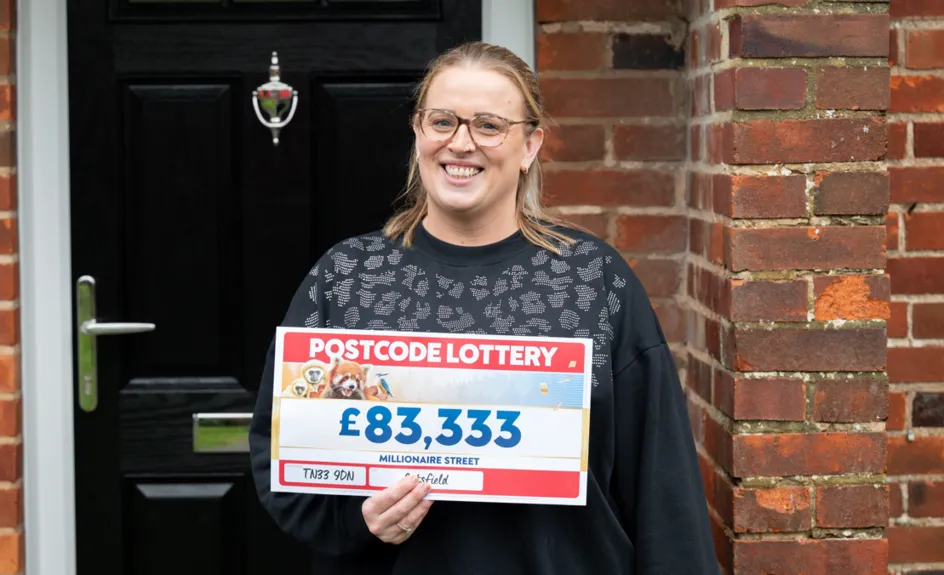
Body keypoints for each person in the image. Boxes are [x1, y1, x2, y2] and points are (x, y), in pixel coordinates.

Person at [248, 41, 719, 575]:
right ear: (418, 133)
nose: (461, 143)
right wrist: (356, 520)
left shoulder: (594, 279)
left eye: (489, 126)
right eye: (442, 121)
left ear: (529, 146)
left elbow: (662, 480)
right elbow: (281, 449)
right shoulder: (347, 276)